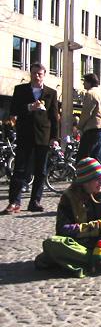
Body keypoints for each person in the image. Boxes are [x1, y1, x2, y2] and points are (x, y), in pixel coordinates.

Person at [2, 63, 58, 214]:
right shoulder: (20, 90)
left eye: (39, 74)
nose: (37, 76)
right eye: (34, 73)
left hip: (43, 136)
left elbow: (54, 117)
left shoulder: (51, 93)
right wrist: (29, 107)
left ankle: (35, 201)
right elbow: (13, 110)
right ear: (30, 74)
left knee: (41, 171)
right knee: (19, 169)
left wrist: (54, 137)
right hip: (25, 134)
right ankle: (14, 202)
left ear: (44, 75)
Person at [76, 73, 101, 163]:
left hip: (91, 130)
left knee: (83, 159)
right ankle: (99, 176)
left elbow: (87, 112)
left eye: (84, 81)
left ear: (89, 82)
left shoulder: (90, 93)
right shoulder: (100, 94)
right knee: (96, 158)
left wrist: (79, 127)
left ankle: (84, 176)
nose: (83, 84)